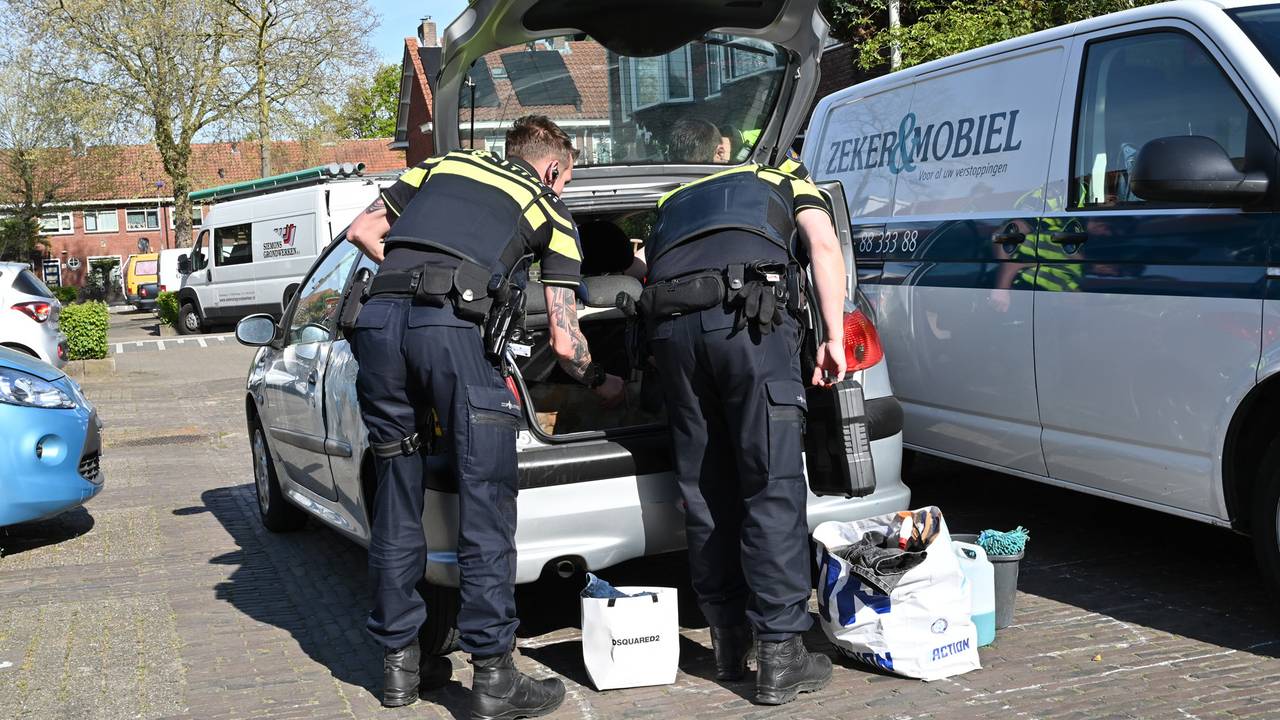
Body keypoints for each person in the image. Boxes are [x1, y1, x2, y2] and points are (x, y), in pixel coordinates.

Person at [345, 115, 625, 715]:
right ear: (553, 168)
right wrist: (604, 383)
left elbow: (363, 228)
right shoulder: (548, 209)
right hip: (448, 333)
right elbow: (566, 340)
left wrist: (409, 276)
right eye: (566, 179)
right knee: (486, 496)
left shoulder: (444, 164)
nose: (564, 190)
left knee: (398, 488)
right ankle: (495, 677)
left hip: (379, 323)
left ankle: (401, 666)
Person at [639, 117, 847, 705]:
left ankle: (730, 644)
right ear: (727, 146)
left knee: (705, 490)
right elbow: (823, 244)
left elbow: (648, 271)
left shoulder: (672, 200)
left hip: (675, 337)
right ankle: (781, 653)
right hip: (749, 327)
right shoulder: (781, 172)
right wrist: (834, 333)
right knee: (771, 484)